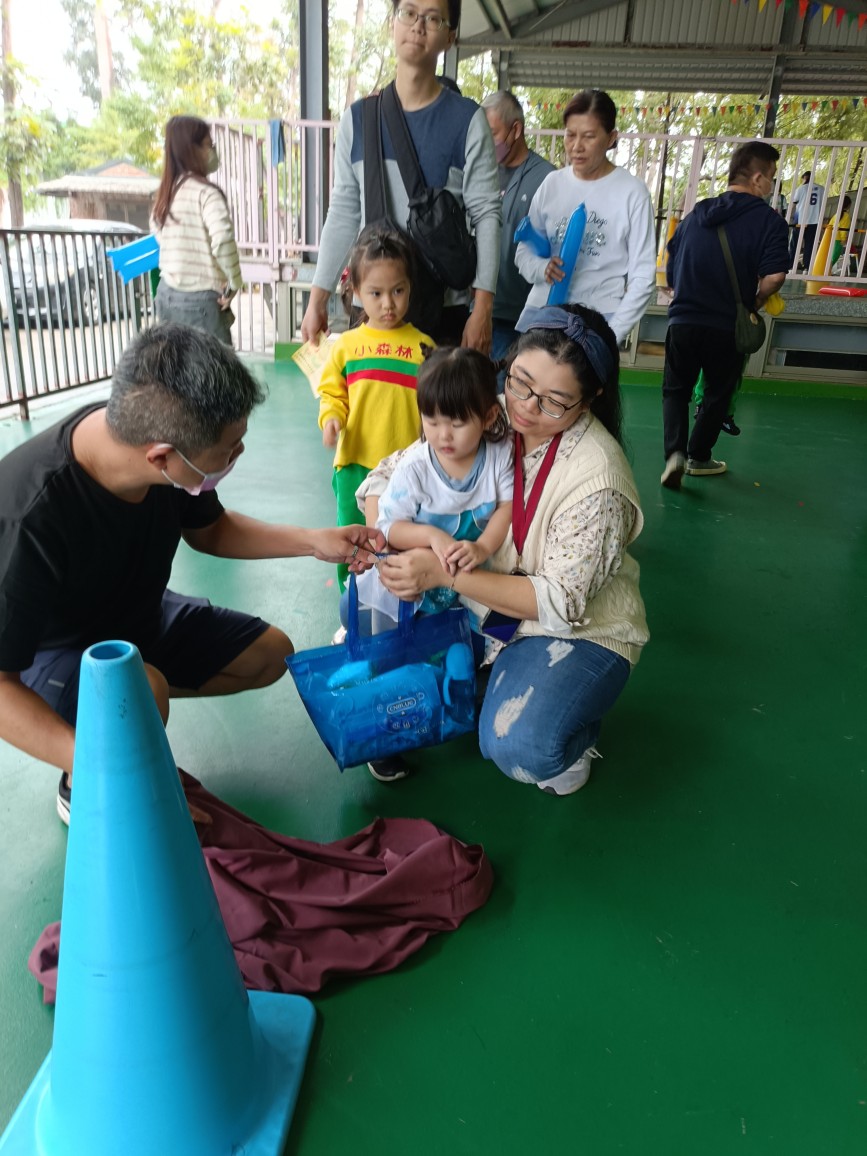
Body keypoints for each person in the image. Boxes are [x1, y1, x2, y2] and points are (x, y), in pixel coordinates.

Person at [0, 324, 383, 824]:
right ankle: (83, 776)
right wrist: (123, 772)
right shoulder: (29, 515)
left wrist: (314, 541)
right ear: (161, 456)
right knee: (143, 690)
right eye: (230, 449)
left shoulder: (156, 444)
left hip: (136, 611)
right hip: (55, 653)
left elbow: (211, 530)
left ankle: (129, 710)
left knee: (269, 655)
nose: (237, 455)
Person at [360, 304, 648, 796]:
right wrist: (392, 556)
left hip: (574, 628)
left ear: (589, 400)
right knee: (381, 638)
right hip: (487, 611)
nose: (527, 408)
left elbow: (560, 603)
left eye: (554, 401)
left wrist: (440, 572)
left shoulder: (598, 478)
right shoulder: (487, 409)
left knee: (517, 744)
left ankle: (573, 735)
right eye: (519, 382)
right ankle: (488, 681)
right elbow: (386, 477)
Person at [300, 1, 501, 352]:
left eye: (433, 18)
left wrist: (483, 307)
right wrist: (318, 298)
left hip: (442, 314)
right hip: (371, 312)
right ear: (392, 23)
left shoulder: (468, 121)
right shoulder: (358, 120)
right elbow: (344, 212)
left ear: (450, 36)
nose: (418, 25)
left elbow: (486, 215)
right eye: (408, 12)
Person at [354, 346, 513, 647]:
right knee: (390, 647)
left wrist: (482, 547)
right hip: (412, 586)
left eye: (457, 423)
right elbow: (388, 527)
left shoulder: (499, 453)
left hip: (462, 584)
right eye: (432, 420)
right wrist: (431, 536)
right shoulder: (415, 468)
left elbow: (507, 506)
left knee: (473, 645)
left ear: (489, 416)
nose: (443, 435)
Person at [659, 141, 789, 489]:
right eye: (771, 177)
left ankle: (674, 455)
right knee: (718, 392)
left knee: (676, 390)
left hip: (683, 320)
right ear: (758, 178)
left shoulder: (695, 216)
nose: (771, 185)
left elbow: (671, 274)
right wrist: (756, 301)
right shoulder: (769, 222)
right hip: (727, 326)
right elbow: (775, 276)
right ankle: (698, 456)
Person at [318, 225, 433, 589]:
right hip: (354, 462)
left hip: (405, 468)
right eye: (376, 293)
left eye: (398, 291)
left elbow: (435, 406)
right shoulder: (346, 346)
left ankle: (395, 599)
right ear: (356, 291)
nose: (388, 304)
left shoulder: (424, 348)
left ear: (410, 288)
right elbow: (332, 393)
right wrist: (331, 418)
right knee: (352, 539)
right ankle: (350, 600)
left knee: (396, 540)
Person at [514, 89, 656, 346]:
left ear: (611, 138)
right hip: (543, 315)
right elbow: (523, 253)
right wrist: (542, 268)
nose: (576, 146)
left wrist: (611, 335)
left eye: (589, 136)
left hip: (597, 320)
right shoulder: (552, 184)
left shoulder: (632, 193)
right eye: (570, 135)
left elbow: (643, 277)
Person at [480, 91, 555, 373]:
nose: (487, 143)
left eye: (493, 134)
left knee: (507, 386)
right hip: (478, 307)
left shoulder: (546, 178)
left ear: (516, 129)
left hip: (520, 315)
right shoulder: (482, 173)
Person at [151, 115, 242, 345]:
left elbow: (157, 228)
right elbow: (222, 239)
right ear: (192, 150)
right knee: (217, 367)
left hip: (166, 294)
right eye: (209, 145)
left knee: (175, 365)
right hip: (200, 301)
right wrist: (234, 282)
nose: (213, 151)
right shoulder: (206, 193)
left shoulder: (168, 191)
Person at [788, 170, 826, 272]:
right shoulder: (822, 189)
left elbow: (793, 203)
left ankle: (791, 266)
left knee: (795, 243)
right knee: (810, 245)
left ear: (805, 178)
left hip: (800, 220)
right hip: (814, 220)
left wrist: (788, 217)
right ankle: (807, 267)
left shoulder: (801, 188)